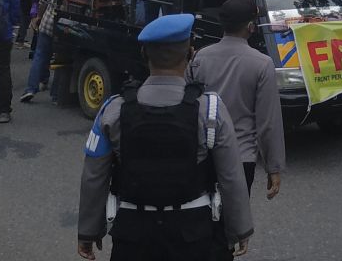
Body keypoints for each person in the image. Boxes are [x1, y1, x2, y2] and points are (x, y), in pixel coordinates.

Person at [77, 13, 253, 261]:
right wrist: (239, 229)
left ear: (143, 54)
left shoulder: (113, 110)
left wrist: (88, 231)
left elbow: (94, 176)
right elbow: (231, 177)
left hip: (132, 236)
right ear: (191, 54)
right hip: (194, 235)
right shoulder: (210, 110)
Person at [187, 0, 284, 259]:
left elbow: (187, 106)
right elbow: (267, 123)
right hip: (241, 159)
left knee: (198, 218)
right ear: (251, 26)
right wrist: (274, 167)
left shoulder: (200, 59)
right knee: (229, 227)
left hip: (200, 155)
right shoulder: (261, 63)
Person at [22, 0, 84, 103]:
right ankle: (56, 95)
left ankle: (31, 89)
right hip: (68, 25)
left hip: (49, 20)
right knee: (61, 59)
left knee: (40, 56)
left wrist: (39, 16)